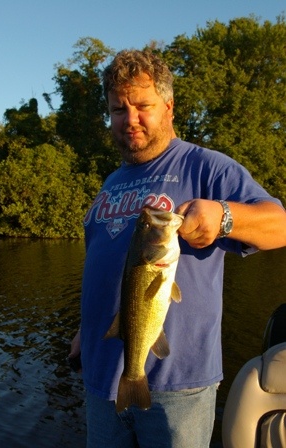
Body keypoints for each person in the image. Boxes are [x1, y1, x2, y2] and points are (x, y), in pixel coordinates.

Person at [69, 49, 286, 448]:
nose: (130, 119)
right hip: (101, 381)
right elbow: (105, 263)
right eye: (119, 109)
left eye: (142, 106)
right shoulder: (111, 182)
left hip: (178, 386)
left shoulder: (207, 167)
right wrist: (86, 328)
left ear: (168, 107)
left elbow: (280, 225)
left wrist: (224, 216)